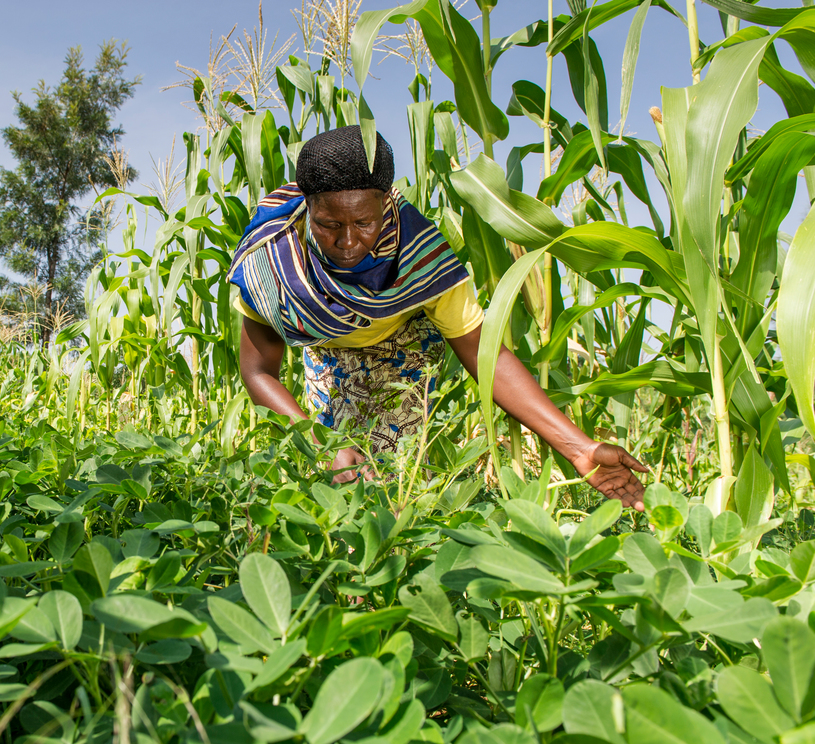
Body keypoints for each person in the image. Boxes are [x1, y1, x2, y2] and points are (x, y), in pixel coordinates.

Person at [230, 126, 648, 510]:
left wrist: (577, 447)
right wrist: (323, 445)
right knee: (337, 478)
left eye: (364, 222)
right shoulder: (271, 263)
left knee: (395, 478)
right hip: (326, 350)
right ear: (307, 209)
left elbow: (486, 357)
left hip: (402, 345)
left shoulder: (422, 257)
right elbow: (258, 371)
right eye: (328, 224)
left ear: (386, 204)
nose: (348, 241)